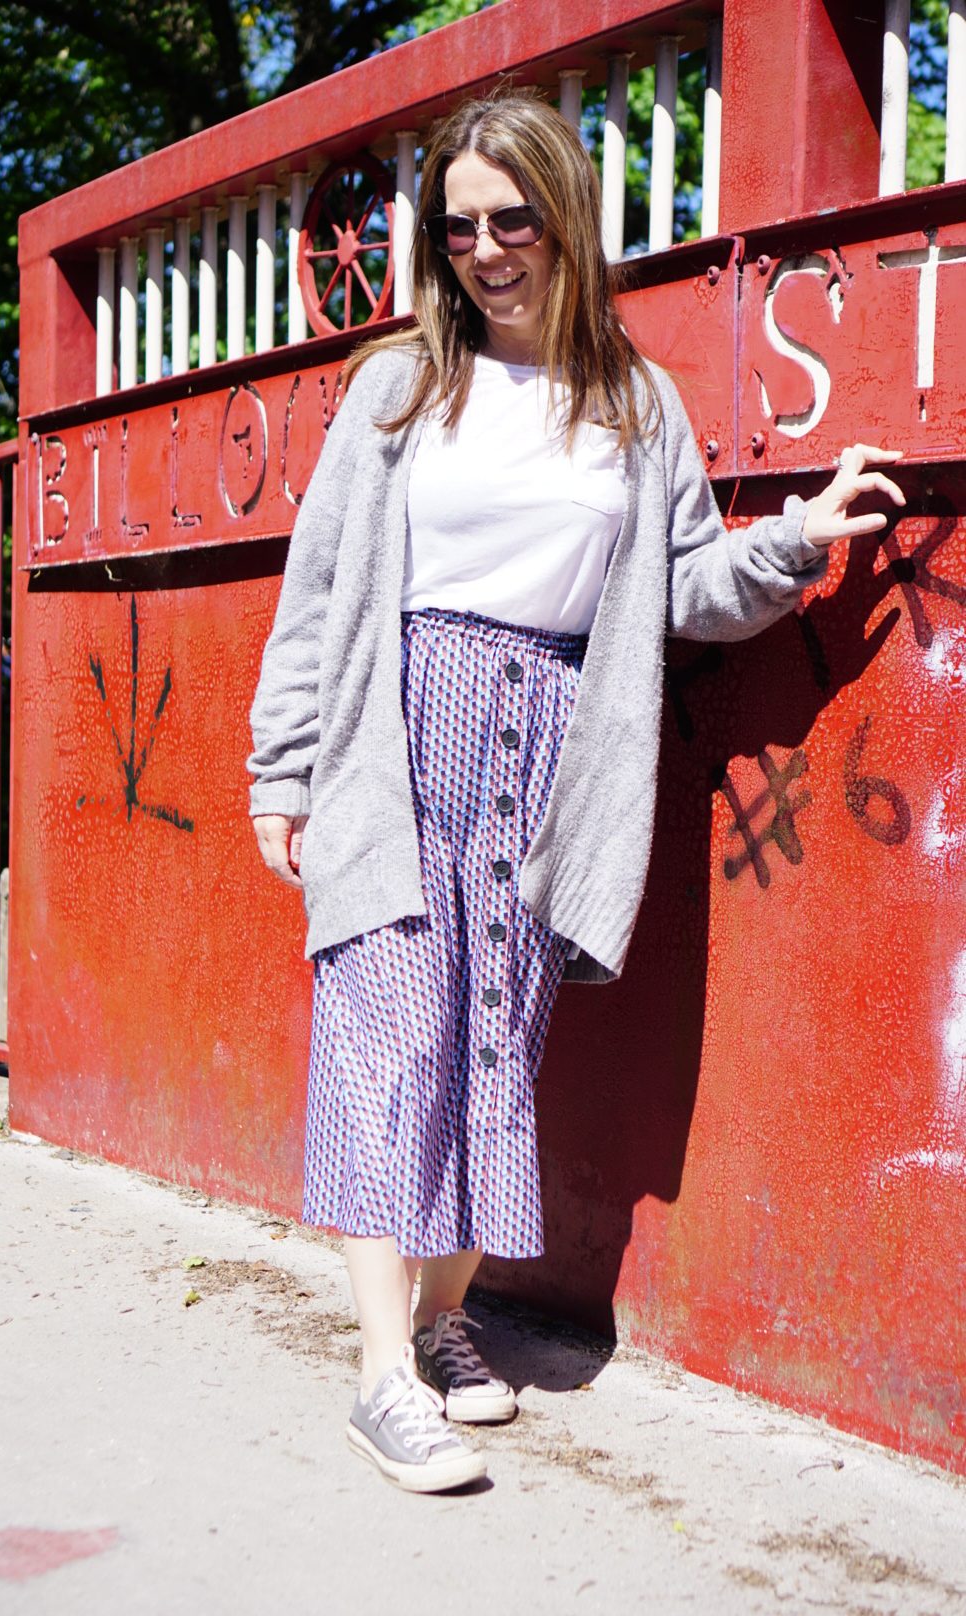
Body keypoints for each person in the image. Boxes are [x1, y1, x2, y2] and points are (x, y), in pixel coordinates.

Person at [247, 90, 903, 1494]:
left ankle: (439, 1323)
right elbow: (315, 595)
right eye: (461, 225)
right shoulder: (398, 386)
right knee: (388, 1030)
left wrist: (798, 539)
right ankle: (378, 1379)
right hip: (399, 728)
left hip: (553, 743)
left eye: (513, 220)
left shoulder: (633, 400)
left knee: (497, 1038)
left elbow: (679, 590)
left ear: (565, 222)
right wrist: (281, 767)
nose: (487, 250)